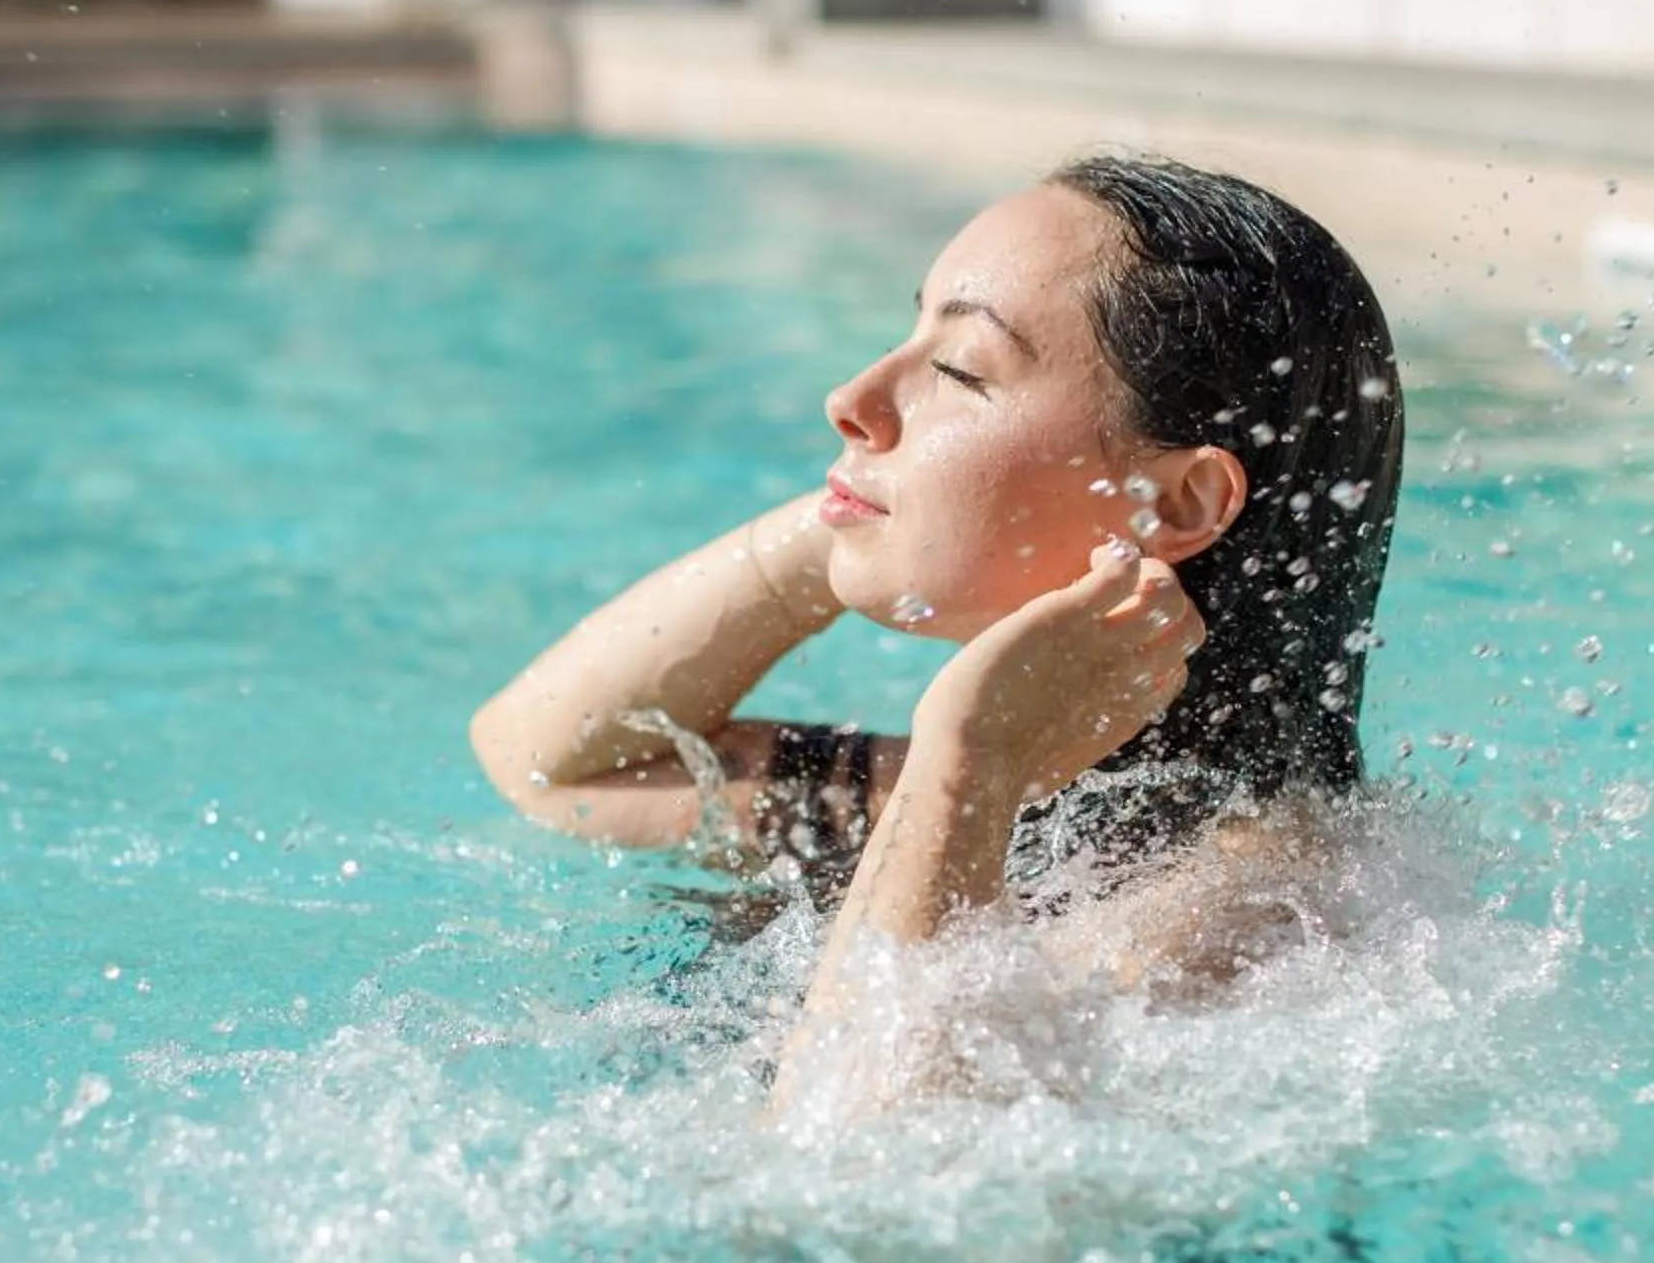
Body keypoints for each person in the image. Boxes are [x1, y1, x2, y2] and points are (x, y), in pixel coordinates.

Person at [470, 153, 1405, 1115]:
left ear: (1176, 499)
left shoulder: (1245, 913)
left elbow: (861, 1178)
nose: (853, 399)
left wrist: (972, 756)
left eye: (958, 368)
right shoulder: (1054, 807)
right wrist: (848, 513)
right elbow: (559, 764)